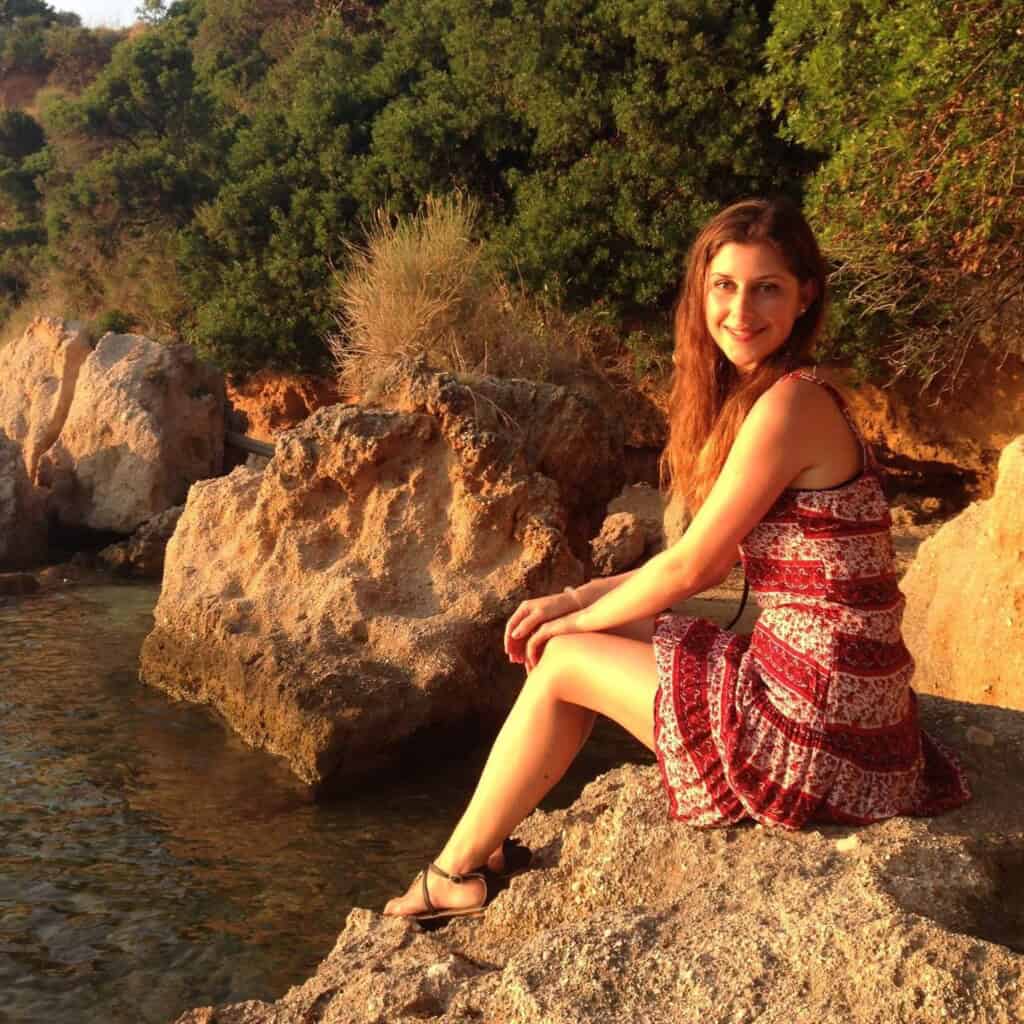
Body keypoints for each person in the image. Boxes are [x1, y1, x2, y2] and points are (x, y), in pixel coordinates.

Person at [383, 197, 971, 923]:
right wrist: (575, 599)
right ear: (701, 290)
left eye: (767, 288)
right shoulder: (780, 395)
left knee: (564, 663)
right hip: (844, 705)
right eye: (724, 285)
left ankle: (455, 872)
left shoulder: (789, 406)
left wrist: (572, 620)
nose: (741, 309)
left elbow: (692, 571)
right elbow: (698, 563)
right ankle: (485, 852)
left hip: (816, 731)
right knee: (577, 638)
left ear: (805, 296)